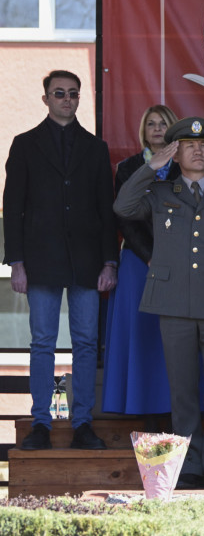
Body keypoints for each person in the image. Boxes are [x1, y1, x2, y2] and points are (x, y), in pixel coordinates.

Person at [114, 117, 204, 488]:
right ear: (176, 155)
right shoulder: (160, 194)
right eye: (189, 145)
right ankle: (188, 465)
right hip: (173, 303)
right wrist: (151, 166)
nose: (198, 150)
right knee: (183, 390)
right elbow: (124, 208)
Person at [5, 70, 115, 451]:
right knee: (42, 343)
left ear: (79, 98)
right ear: (46, 99)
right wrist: (16, 263)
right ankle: (41, 424)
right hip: (40, 261)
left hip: (86, 261)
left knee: (86, 343)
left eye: (72, 93)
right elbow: (13, 208)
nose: (66, 99)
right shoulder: (24, 144)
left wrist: (109, 263)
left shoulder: (95, 148)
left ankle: (83, 423)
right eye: (59, 93)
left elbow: (106, 211)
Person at [102, 104, 179, 418]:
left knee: (172, 337)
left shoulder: (186, 165)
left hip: (178, 264)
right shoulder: (128, 167)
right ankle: (138, 404)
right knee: (140, 334)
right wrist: (150, 257)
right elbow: (125, 219)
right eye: (151, 124)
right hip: (138, 262)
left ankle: (170, 405)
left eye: (163, 123)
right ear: (143, 130)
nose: (157, 129)